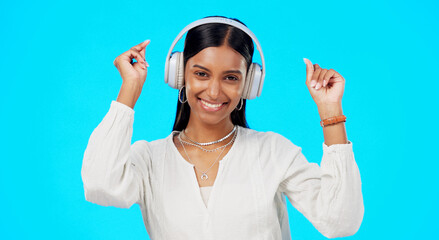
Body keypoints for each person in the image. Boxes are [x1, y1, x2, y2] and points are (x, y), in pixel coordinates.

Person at [81, 16, 364, 239]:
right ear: (178, 73)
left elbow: (340, 220)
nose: (214, 92)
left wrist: (330, 111)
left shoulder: (273, 152)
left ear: (249, 85)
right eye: (201, 74)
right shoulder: (149, 159)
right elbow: (100, 185)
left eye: (230, 77)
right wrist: (130, 88)